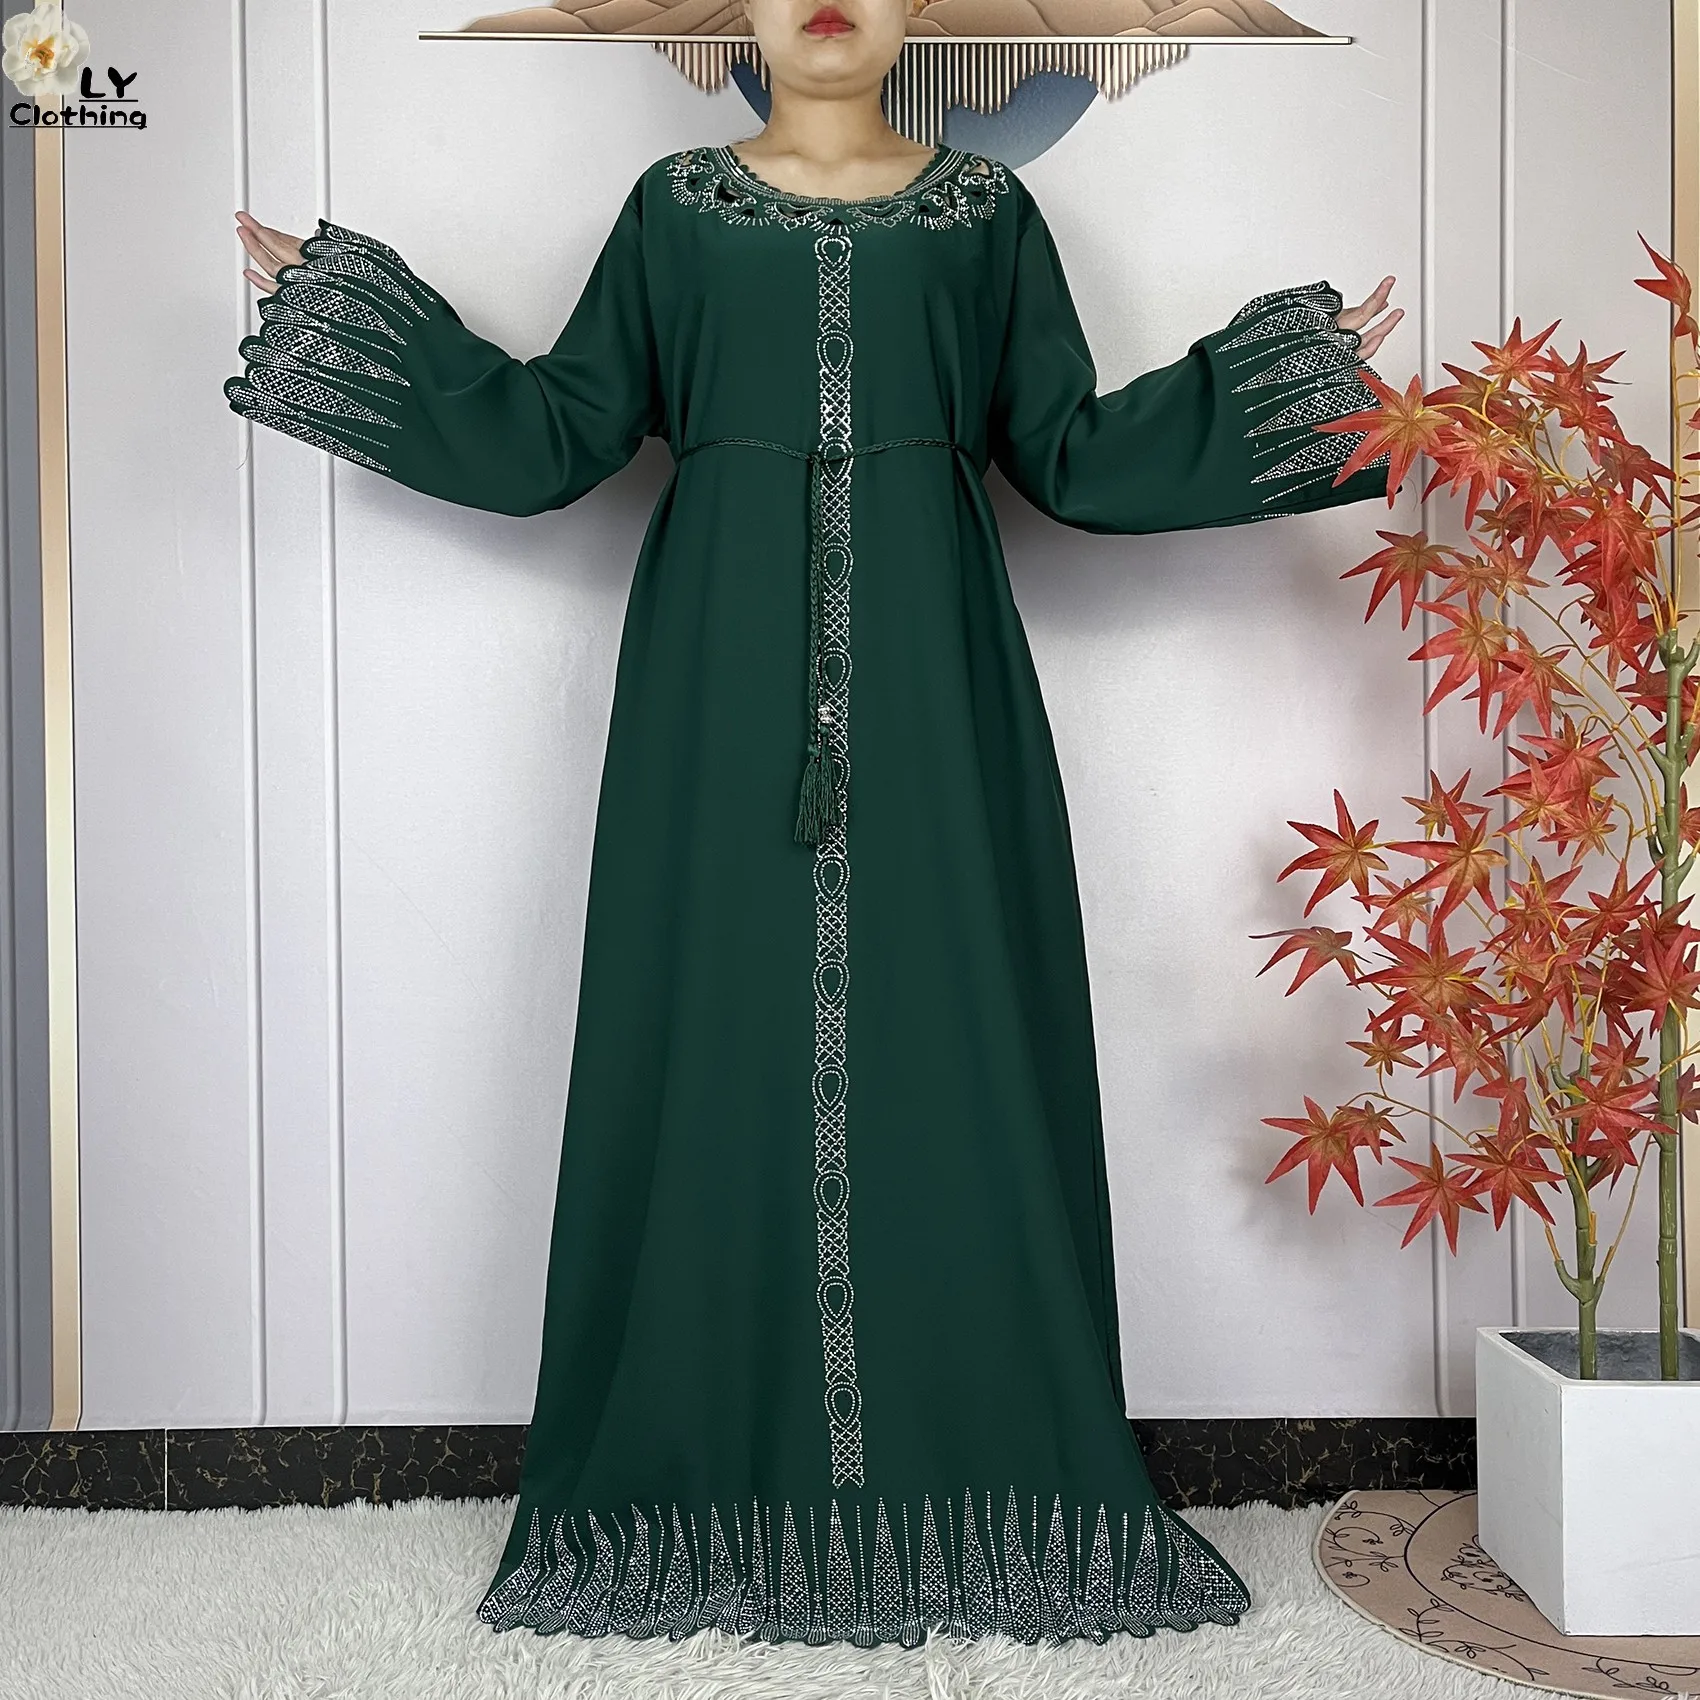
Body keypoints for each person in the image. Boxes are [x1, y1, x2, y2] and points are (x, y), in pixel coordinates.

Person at [226, 0, 1399, 1652]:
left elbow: (1070, 449)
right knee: (710, 1036)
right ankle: (699, 1476)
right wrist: (356, 323)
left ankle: (975, 1469)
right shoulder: (672, 210)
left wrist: (1296, 388)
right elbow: (557, 426)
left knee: (954, 1038)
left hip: (937, 690)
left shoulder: (987, 216)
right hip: (715, 695)